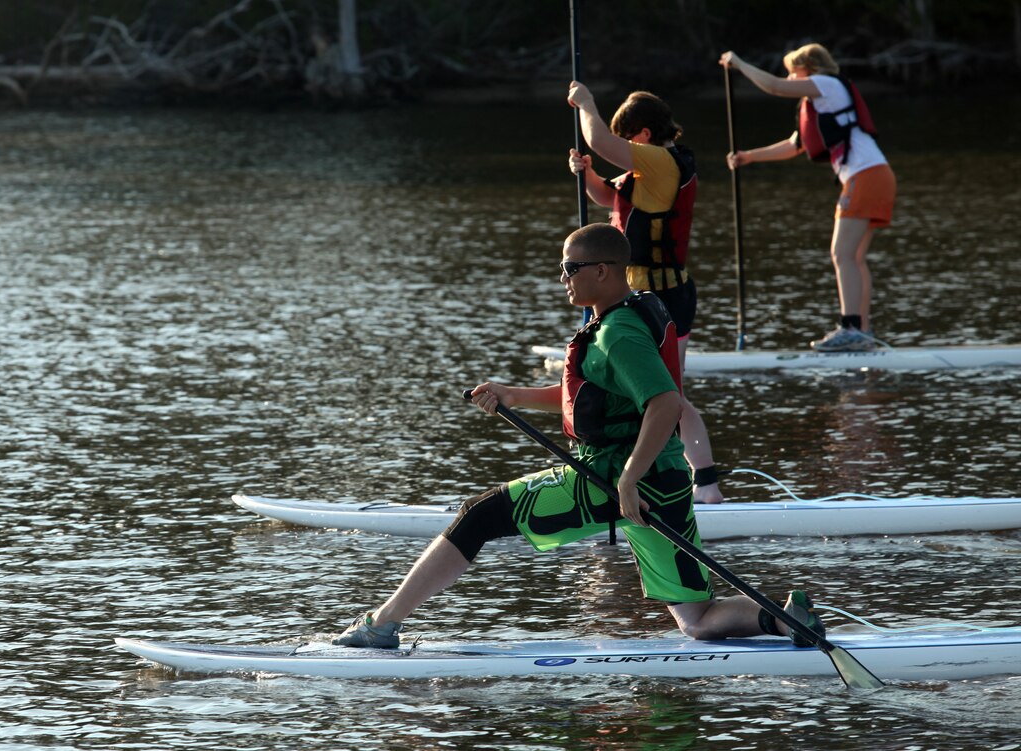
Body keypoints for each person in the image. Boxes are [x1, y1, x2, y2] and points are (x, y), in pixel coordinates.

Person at [332, 223, 825, 650]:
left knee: (477, 516)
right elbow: (588, 395)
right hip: (665, 481)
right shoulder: (611, 321)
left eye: (569, 267)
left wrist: (628, 481)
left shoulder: (619, 333)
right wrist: (513, 395)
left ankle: (382, 625)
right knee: (696, 620)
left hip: (612, 477)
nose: (562, 277)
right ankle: (781, 618)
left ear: (603, 271)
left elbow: (666, 403)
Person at [565, 81, 724, 504]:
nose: (622, 148)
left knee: (668, 395)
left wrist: (586, 103)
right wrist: (588, 173)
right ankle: (654, 478)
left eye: (626, 140)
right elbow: (608, 197)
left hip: (664, 299)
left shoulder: (662, 163)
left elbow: (598, 138)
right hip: (638, 299)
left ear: (644, 136)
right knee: (651, 394)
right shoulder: (645, 170)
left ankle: (704, 485)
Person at [719, 43, 897, 352]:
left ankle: (851, 328)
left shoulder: (826, 85)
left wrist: (739, 63)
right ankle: (862, 331)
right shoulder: (818, 103)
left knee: (841, 254)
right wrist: (748, 157)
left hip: (865, 176)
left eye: (792, 72)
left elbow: (773, 87)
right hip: (876, 174)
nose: (789, 78)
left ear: (809, 69)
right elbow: (794, 145)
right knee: (853, 258)